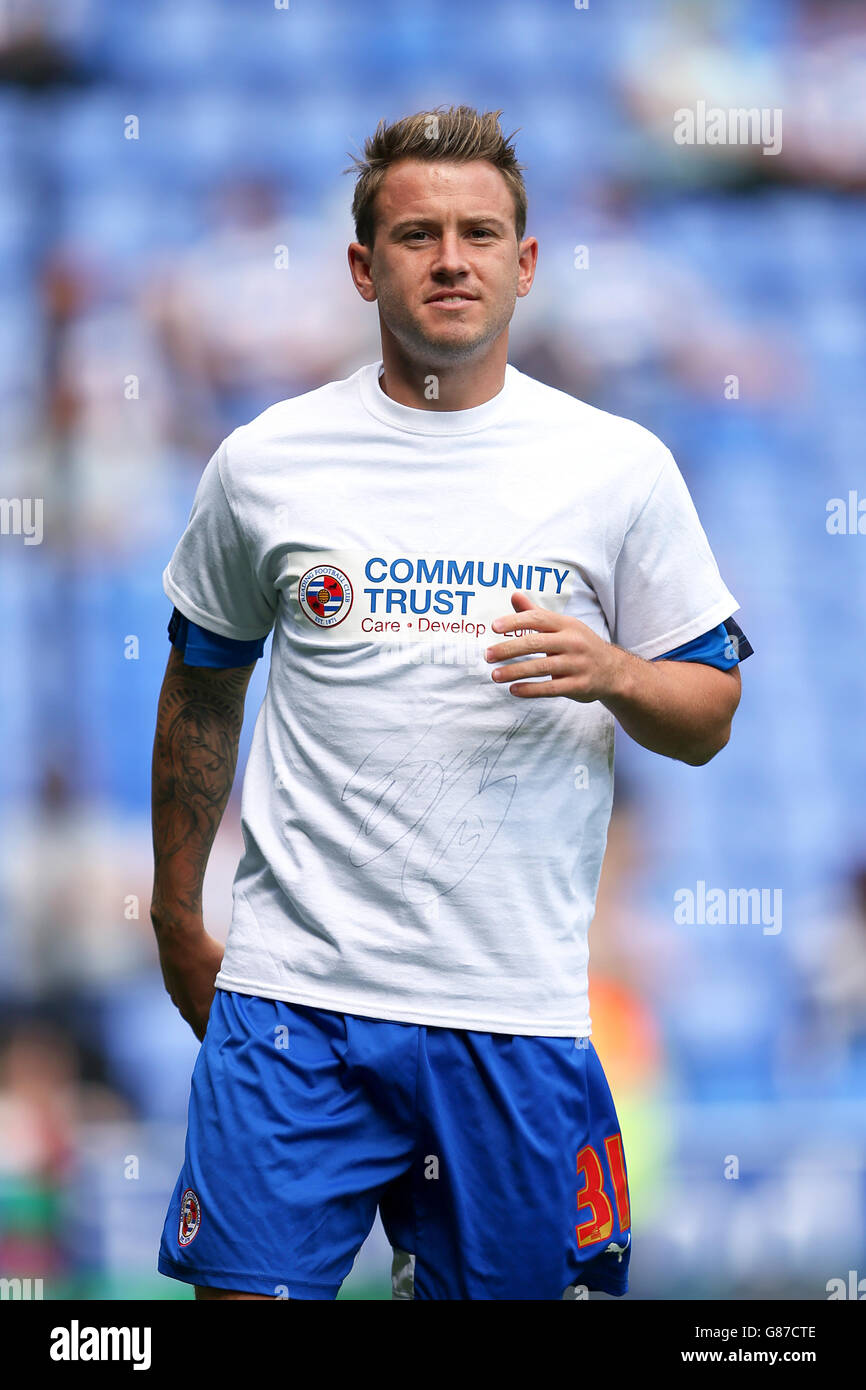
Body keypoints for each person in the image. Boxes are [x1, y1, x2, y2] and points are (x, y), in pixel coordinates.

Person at [151, 104, 752, 1301]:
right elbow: (201, 693)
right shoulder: (268, 461)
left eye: (479, 234)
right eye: (416, 234)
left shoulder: (615, 467)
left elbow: (707, 714)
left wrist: (617, 673)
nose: (449, 259)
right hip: (294, 1004)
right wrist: (175, 916)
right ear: (362, 265)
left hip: (507, 1009)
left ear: (524, 265)